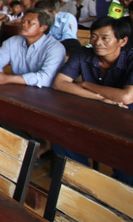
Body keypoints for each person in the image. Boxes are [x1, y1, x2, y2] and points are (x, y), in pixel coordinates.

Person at [52, 16, 133, 186]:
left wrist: (86, 84)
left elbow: (126, 97)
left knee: (127, 167)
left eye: (105, 38)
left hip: (127, 121)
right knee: (61, 139)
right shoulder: (83, 54)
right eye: (94, 36)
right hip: (93, 116)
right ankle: (83, 186)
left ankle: (115, 200)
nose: (97, 42)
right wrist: (101, 98)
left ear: (123, 41)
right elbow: (60, 83)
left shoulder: (131, 59)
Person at [0, 9, 66, 88]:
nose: (23, 25)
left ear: (43, 28)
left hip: (45, 94)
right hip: (17, 89)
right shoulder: (12, 41)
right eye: (23, 21)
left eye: (30, 23)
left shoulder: (55, 48)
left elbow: (46, 78)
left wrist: (8, 78)